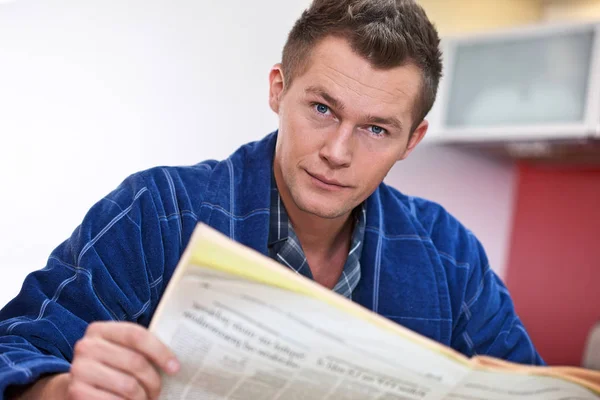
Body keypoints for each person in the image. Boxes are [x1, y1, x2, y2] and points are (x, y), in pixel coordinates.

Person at [0, 0, 544, 398]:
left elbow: (527, 387)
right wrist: (61, 389)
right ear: (278, 90)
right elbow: (15, 348)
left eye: (376, 129)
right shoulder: (156, 210)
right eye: (323, 109)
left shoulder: (451, 254)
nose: (336, 151)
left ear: (412, 141)